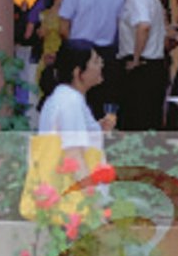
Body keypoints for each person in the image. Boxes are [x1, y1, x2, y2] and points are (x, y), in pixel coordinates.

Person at [21, 40, 116, 222]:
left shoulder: (62, 98)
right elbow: (74, 156)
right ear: (78, 72)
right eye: (95, 61)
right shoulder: (70, 102)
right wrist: (95, 205)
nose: (101, 65)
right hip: (74, 206)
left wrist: (95, 128)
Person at [114, 0, 168, 130]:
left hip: (142, 68)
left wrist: (136, 59)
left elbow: (143, 25)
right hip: (149, 66)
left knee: (137, 123)